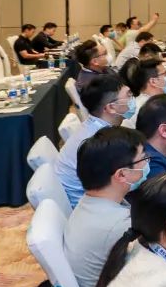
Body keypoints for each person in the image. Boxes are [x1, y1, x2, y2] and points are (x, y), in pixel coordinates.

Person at [64, 126, 146, 287]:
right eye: (143, 159)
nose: (147, 164)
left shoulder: (89, 202)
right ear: (122, 174)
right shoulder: (120, 225)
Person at [55, 74, 137, 207]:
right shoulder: (100, 141)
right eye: (128, 95)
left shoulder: (94, 126)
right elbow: (123, 182)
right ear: (111, 107)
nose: (132, 100)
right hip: (90, 205)